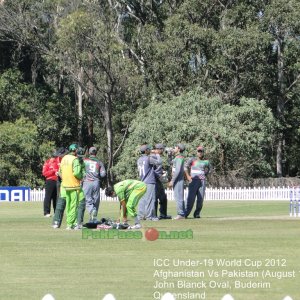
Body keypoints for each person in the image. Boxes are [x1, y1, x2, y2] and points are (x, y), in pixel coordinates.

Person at [58, 143, 85, 230]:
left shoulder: (64, 158)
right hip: (74, 185)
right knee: (74, 205)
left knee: (69, 206)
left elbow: (60, 172)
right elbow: (76, 173)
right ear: (75, 150)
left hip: (65, 185)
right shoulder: (75, 159)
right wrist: (82, 177)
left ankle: (69, 223)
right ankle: (71, 224)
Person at [184, 146, 211, 218]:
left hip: (202, 181)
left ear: (203, 152)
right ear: (196, 152)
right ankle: (185, 214)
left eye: (201, 151)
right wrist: (188, 176)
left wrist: (205, 174)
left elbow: (210, 169)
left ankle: (197, 213)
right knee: (190, 198)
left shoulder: (206, 161)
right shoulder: (192, 159)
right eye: (198, 151)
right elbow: (185, 167)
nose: (200, 153)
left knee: (200, 198)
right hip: (193, 181)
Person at [82, 146, 106, 222]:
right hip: (96, 182)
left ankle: (92, 211)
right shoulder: (99, 162)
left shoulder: (85, 161)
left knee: (87, 199)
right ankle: (93, 218)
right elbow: (103, 174)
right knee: (96, 200)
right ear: (96, 153)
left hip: (87, 182)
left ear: (89, 152)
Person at [137, 144, 159, 221]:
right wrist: (156, 154)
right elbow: (158, 162)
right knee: (150, 199)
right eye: (149, 149)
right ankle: (150, 217)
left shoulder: (139, 159)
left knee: (142, 200)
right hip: (149, 181)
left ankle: (140, 216)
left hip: (142, 181)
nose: (150, 150)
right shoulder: (148, 158)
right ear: (146, 151)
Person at [151, 143, 172, 219]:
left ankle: (163, 214)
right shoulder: (153, 156)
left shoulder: (157, 156)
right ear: (159, 149)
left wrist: (162, 171)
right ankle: (154, 215)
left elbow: (157, 167)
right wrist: (159, 175)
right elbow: (152, 169)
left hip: (159, 180)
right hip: (154, 180)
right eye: (162, 149)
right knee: (155, 198)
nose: (163, 150)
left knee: (163, 197)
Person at [42, 148, 64, 217]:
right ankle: (46, 212)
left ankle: (56, 212)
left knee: (56, 197)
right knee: (48, 197)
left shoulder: (58, 161)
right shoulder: (47, 162)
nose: (53, 158)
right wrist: (53, 171)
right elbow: (44, 173)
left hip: (57, 181)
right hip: (50, 181)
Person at [168, 144, 186, 220]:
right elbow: (170, 163)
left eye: (175, 148)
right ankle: (182, 213)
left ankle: (181, 214)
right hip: (177, 180)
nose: (173, 149)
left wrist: (172, 180)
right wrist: (169, 155)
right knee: (178, 196)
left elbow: (178, 170)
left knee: (179, 197)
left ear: (178, 149)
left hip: (178, 180)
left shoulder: (179, 158)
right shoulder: (177, 157)